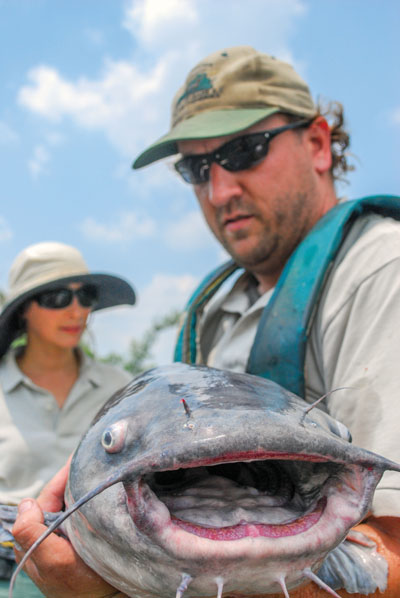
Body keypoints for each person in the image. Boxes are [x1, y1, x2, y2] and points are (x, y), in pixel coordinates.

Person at [10, 46, 400, 596]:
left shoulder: (384, 273)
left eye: (245, 150)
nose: (219, 191)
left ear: (317, 143)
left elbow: (395, 553)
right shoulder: (213, 307)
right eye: (196, 168)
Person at [0, 241, 136, 597]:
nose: (77, 310)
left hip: (106, 575)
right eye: (58, 297)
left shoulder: (121, 387)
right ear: (24, 310)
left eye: (85, 295)